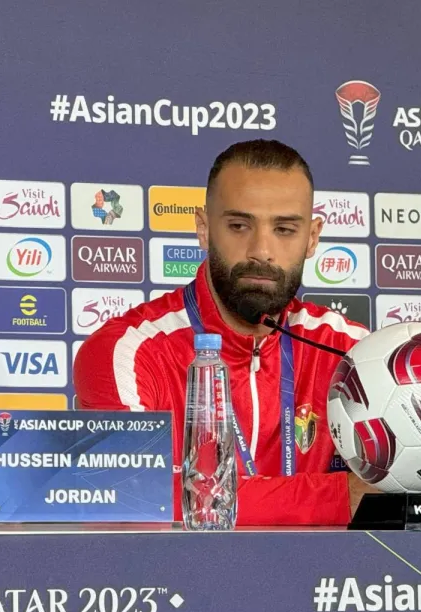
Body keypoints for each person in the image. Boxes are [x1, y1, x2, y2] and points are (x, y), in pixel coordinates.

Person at [75, 139, 378, 526]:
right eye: (239, 226)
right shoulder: (128, 351)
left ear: (313, 237)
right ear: (203, 229)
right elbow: (129, 492)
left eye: (285, 229)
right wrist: (341, 496)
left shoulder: (353, 352)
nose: (261, 250)